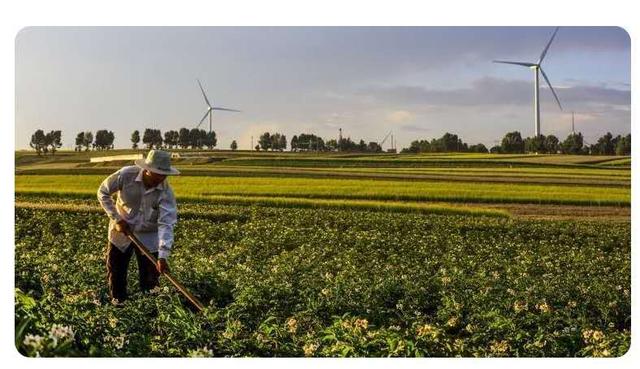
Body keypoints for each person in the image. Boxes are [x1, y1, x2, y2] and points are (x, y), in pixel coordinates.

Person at [97, 150, 180, 305]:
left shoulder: (166, 193)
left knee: (151, 278)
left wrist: (162, 256)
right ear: (147, 170)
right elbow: (103, 192)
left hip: (149, 236)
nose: (160, 178)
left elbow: (166, 224)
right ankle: (118, 305)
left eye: (164, 175)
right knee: (117, 271)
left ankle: (149, 311)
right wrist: (116, 219)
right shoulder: (126, 175)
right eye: (157, 174)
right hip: (121, 233)